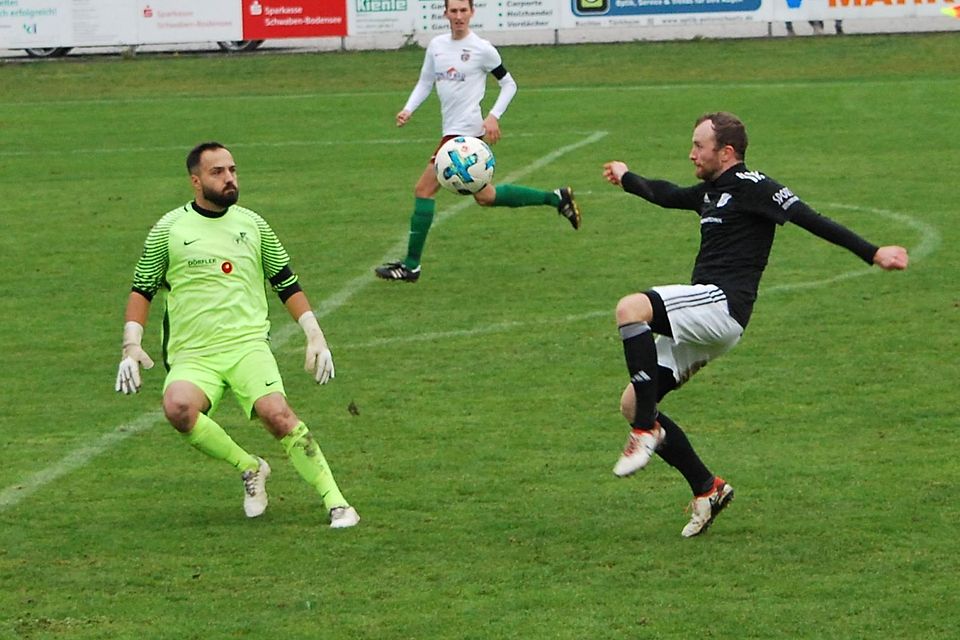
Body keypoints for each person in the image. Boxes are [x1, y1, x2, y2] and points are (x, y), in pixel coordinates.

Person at [601, 112, 908, 537]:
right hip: (707, 319)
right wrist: (628, 176)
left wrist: (872, 252)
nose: (692, 153)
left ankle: (644, 430)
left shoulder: (755, 187)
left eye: (699, 146)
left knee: (631, 309)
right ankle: (707, 487)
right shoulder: (710, 193)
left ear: (725, 152)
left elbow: (810, 219)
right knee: (633, 399)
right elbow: (666, 193)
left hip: (723, 305)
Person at [115, 141, 360, 529]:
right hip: (193, 353)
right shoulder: (169, 230)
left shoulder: (254, 224)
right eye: (218, 172)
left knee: (276, 414)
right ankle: (250, 467)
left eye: (232, 170)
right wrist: (131, 344)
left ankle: (338, 502)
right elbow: (141, 288)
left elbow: (286, 282)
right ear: (196, 181)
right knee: (178, 408)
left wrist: (315, 335)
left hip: (247, 346)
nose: (229, 178)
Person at [375, 0, 581, 283]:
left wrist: (493, 116)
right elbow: (426, 82)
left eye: (463, 10)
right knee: (486, 197)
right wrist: (408, 109)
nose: (458, 16)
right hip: (452, 132)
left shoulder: (482, 49)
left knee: (423, 190)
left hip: (464, 137)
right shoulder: (436, 46)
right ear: (445, 13)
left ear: (472, 12)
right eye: (453, 10)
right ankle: (556, 198)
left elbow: (509, 84)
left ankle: (411, 266)